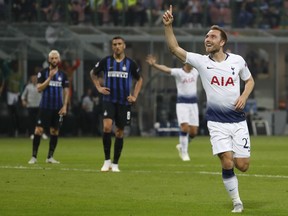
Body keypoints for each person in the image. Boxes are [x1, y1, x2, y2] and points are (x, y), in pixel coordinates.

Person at [162, 5, 255, 213]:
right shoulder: (201, 62)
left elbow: (249, 81)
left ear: (222, 42)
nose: (207, 39)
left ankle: (236, 194)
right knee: (227, 161)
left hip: (238, 121)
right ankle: (237, 202)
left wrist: (244, 95)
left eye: (212, 36)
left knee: (243, 165)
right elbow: (174, 49)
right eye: (206, 36)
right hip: (216, 122)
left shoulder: (238, 61)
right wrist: (168, 27)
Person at [90, 36, 143, 172]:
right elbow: (93, 73)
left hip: (124, 102)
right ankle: (106, 161)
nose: (117, 46)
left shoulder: (131, 64)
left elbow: (139, 79)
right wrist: (99, 88)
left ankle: (115, 164)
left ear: (124, 46)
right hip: (109, 100)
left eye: (119, 44)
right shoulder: (106, 61)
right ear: (112, 46)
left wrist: (135, 96)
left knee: (119, 132)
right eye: (114, 44)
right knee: (107, 127)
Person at [146, 54, 199, 161]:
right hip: (182, 104)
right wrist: (154, 65)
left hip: (193, 104)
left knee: (193, 132)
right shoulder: (179, 72)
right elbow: (166, 69)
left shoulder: (196, 71)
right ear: (185, 62)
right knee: (184, 127)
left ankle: (182, 145)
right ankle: (184, 153)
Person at [28, 50, 69, 164]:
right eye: (52, 58)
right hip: (45, 107)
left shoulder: (63, 75)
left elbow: (66, 91)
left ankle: (50, 157)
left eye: (56, 58)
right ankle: (34, 157)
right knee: (38, 130)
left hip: (57, 108)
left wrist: (65, 106)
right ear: (48, 59)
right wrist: (49, 78)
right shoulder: (43, 73)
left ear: (59, 60)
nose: (54, 60)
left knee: (55, 131)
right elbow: (39, 88)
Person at [21, 72, 48, 140]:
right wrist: (24, 101)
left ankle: (42, 133)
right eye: (33, 78)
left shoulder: (41, 85)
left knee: (40, 121)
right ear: (31, 79)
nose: (34, 79)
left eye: (35, 78)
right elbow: (23, 96)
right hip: (30, 106)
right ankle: (32, 134)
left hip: (39, 106)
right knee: (31, 121)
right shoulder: (28, 86)